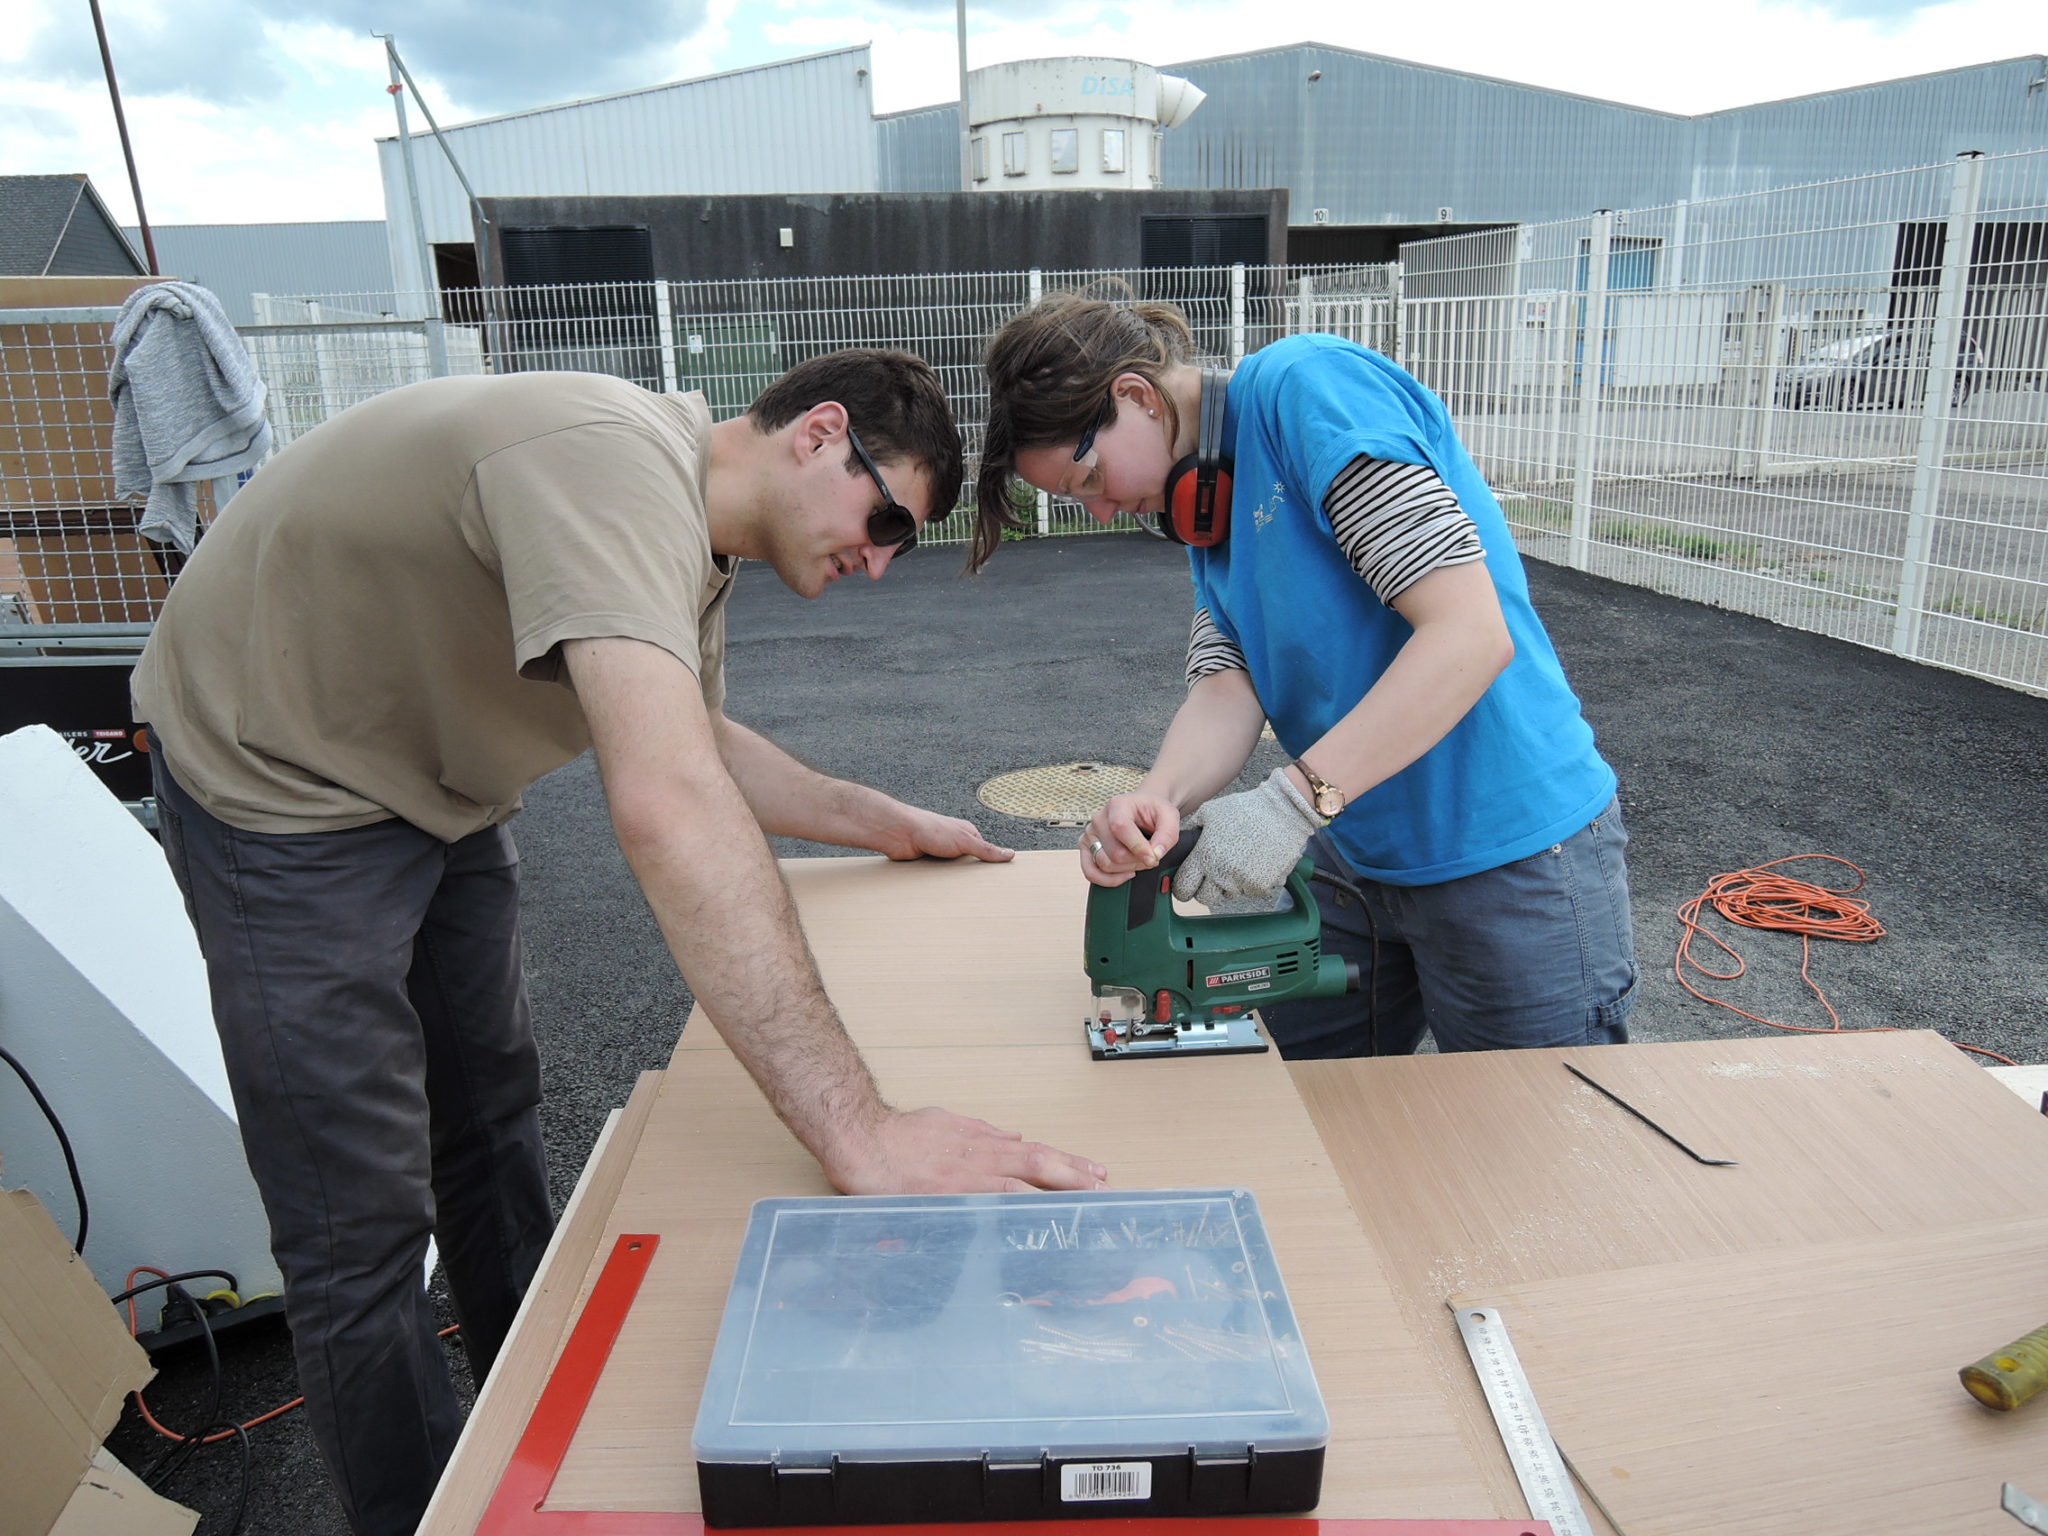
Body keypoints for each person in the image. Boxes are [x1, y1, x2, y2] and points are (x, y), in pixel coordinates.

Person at [132, 350, 1107, 1536]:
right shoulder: (605, 463)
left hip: (434, 782)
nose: (880, 560)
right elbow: (667, 802)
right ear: (817, 433)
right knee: (359, 1223)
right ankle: (421, 1515)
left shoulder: (689, 541)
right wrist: (859, 1129)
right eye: (886, 519)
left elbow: (694, 740)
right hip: (282, 784)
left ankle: (530, 1430)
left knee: (488, 1121)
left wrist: (878, 821)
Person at [976, 293, 1637, 1059]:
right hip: (1356, 847)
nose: (1100, 510)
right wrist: (1159, 799)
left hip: (1509, 852)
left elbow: (1468, 634)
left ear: (1137, 397)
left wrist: (1290, 804)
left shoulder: (1309, 391)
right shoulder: (1205, 506)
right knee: (1305, 1099)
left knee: (1527, 1124)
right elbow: (1229, 686)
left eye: (1089, 479)